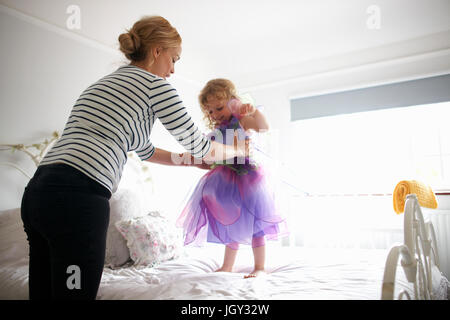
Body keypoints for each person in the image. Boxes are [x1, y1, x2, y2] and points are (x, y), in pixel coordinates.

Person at [20, 16, 246, 300]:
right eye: (173, 59)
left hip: (37, 195)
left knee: (43, 293)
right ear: (156, 52)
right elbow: (200, 144)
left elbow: (144, 149)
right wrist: (237, 149)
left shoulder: (102, 86)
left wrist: (190, 160)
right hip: (77, 198)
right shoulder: (154, 85)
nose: (173, 70)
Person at [176, 79, 288, 278]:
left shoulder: (242, 120)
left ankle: (259, 266)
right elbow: (209, 157)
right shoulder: (216, 133)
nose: (215, 114)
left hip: (249, 178)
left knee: (256, 225)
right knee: (230, 222)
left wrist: (253, 112)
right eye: (210, 111)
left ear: (233, 101)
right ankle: (228, 265)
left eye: (219, 108)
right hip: (225, 180)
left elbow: (263, 127)